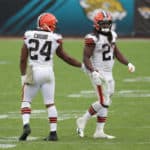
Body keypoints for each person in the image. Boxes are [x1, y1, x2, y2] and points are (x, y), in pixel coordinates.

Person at [19, 12, 82, 141]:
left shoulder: (29, 35)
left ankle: (26, 125)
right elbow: (66, 57)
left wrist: (23, 76)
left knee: (26, 100)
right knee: (50, 103)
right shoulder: (55, 38)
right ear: (48, 24)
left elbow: (22, 60)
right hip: (48, 71)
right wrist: (82, 66)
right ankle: (53, 133)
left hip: (33, 70)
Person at [76, 10, 135, 139]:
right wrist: (93, 71)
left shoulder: (112, 35)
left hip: (109, 72)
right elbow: (86, 57)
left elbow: (116, 52)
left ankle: (99, 131)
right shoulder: (92, 38)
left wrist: (128, 63)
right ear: (96, 24)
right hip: (97, 72)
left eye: (108, 23)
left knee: (106, 100)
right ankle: (83, 120)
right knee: (104, 101)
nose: (106, 26)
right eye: (103, 23)